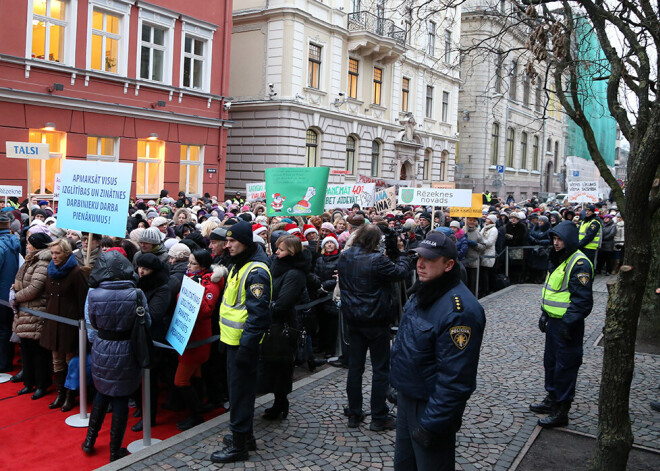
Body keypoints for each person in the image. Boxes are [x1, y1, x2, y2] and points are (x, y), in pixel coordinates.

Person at [391, 232, 485, 470]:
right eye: (418, 257)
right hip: (409, 397)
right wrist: (397, 384)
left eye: (429, 259)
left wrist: (433, 424)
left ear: (448, 264)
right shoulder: (425, 289)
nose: (420, 264)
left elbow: (456, 377)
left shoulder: (459, 310)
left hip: (430, 407)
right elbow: (407, 344)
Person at [337, 224, 411, 431]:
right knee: (380, 369)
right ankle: (379, 416)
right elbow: (401, 272)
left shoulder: (345, 256)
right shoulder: (377, 260)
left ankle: (354, 413)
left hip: (354, 319)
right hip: (376, 320)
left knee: (355, 368)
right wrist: (402, 252)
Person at [210, 221, 271, 464]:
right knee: (239, 393)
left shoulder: (255, 271)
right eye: (227, 241)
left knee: (240, 395)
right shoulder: (239, 264)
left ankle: (239, 446)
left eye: (232, 241)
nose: (228, 246)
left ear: (245, 242)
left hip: (243, 345)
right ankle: (245, 436)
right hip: (233, 341)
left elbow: (258, 316)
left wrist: (246, 347)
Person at [82, 251, 151, 462]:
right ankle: (114, 450)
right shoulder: (136, 294)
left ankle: (89, 440)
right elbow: (146, 322)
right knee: (121, 395)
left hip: (102, 346)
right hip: (126, 348)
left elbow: (92, 321)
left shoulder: (94, 294)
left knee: (102, 391)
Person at [530, 221, 593, 428]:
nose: (556, 243)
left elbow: (582, 301)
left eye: (560, 240)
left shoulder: (579, 263)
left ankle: (561, 410)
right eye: (555, 239)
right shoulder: (558, 258)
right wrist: (545, 314)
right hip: (554, 322)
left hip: (568, 325)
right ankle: (552, 398)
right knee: (551, 362)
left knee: (565, 366)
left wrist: (568, 323)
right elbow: (553, 291)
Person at [260, 234, 309, 420]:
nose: (276, 253)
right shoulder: (277, 267)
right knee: (272, 365)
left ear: (291, 252)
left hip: (283, 325)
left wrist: (265, 305)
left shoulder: (295, 273)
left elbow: (282, 304)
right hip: (272, 323)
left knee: (281, 367)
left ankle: (281, 403)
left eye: (280, 250)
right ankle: (277, 401)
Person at [40, 238, 89, 412]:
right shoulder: (50, 270)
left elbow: (83, 300)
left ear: (67, 253)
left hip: (70, 322)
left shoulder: (76, 272)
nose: (54, 256)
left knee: (70, 361)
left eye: (57, 253)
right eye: (52, 253)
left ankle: (70, 395)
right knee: (57, 361)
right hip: (54, 320)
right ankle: (60, 393)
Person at [131, 253, 172, 432]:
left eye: (145, 269)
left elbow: (155, 314)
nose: (141, 271)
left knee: (150, 379)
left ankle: (150, 416)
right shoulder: (137, 282)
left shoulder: (162, 288)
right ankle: (141, 407)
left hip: (153, 338)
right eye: (140, 267)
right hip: (137, 335)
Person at [11, 232, 53, 399]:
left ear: (36, 245)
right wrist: (14, 289)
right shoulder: (29, 260)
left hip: (36, 312)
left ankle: (41, 384)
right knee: (26, 351)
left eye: (29, 243)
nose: (26, 246)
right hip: (24, 312)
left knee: (38, 353)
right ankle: (29, 382)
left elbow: (36, 287)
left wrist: (16, 296)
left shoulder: (43, 263)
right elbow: (19, 280)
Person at [0, 212, 20, 373]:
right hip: (8, 294)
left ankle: (3, 363)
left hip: (1, 296)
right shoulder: (13, 242)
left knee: (2, 330)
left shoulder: (1, 245)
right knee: (6, 328)